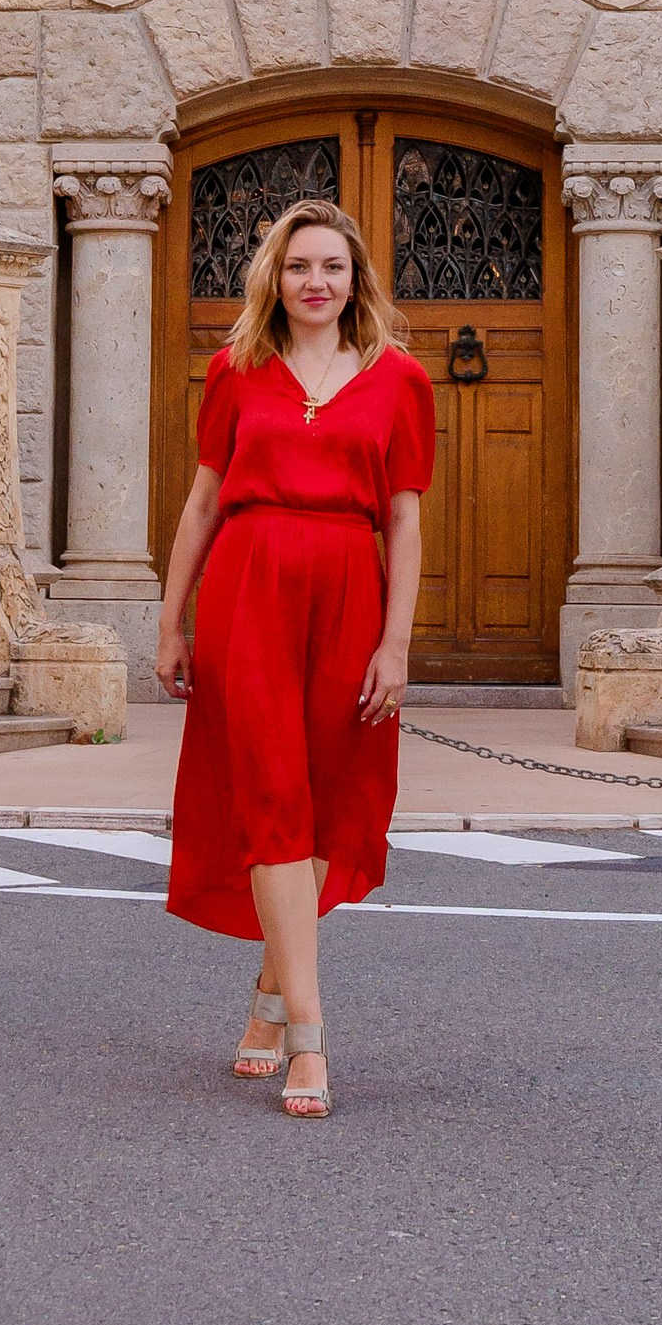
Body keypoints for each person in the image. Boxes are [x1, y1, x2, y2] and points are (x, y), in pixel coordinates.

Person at [156, 196, 435, 1120]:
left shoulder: (400, 380)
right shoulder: (235, 369)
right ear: (274, 276)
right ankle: (311, 1039)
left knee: (329, 799)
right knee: (273, 796)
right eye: (299, 265)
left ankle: (272, 994)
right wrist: (170, 621)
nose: (316, 282)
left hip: (350, 591)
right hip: (250, 589)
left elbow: (404, 520)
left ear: (357, 281)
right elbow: (201, 505)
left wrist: (395, 642)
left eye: (333, 267)